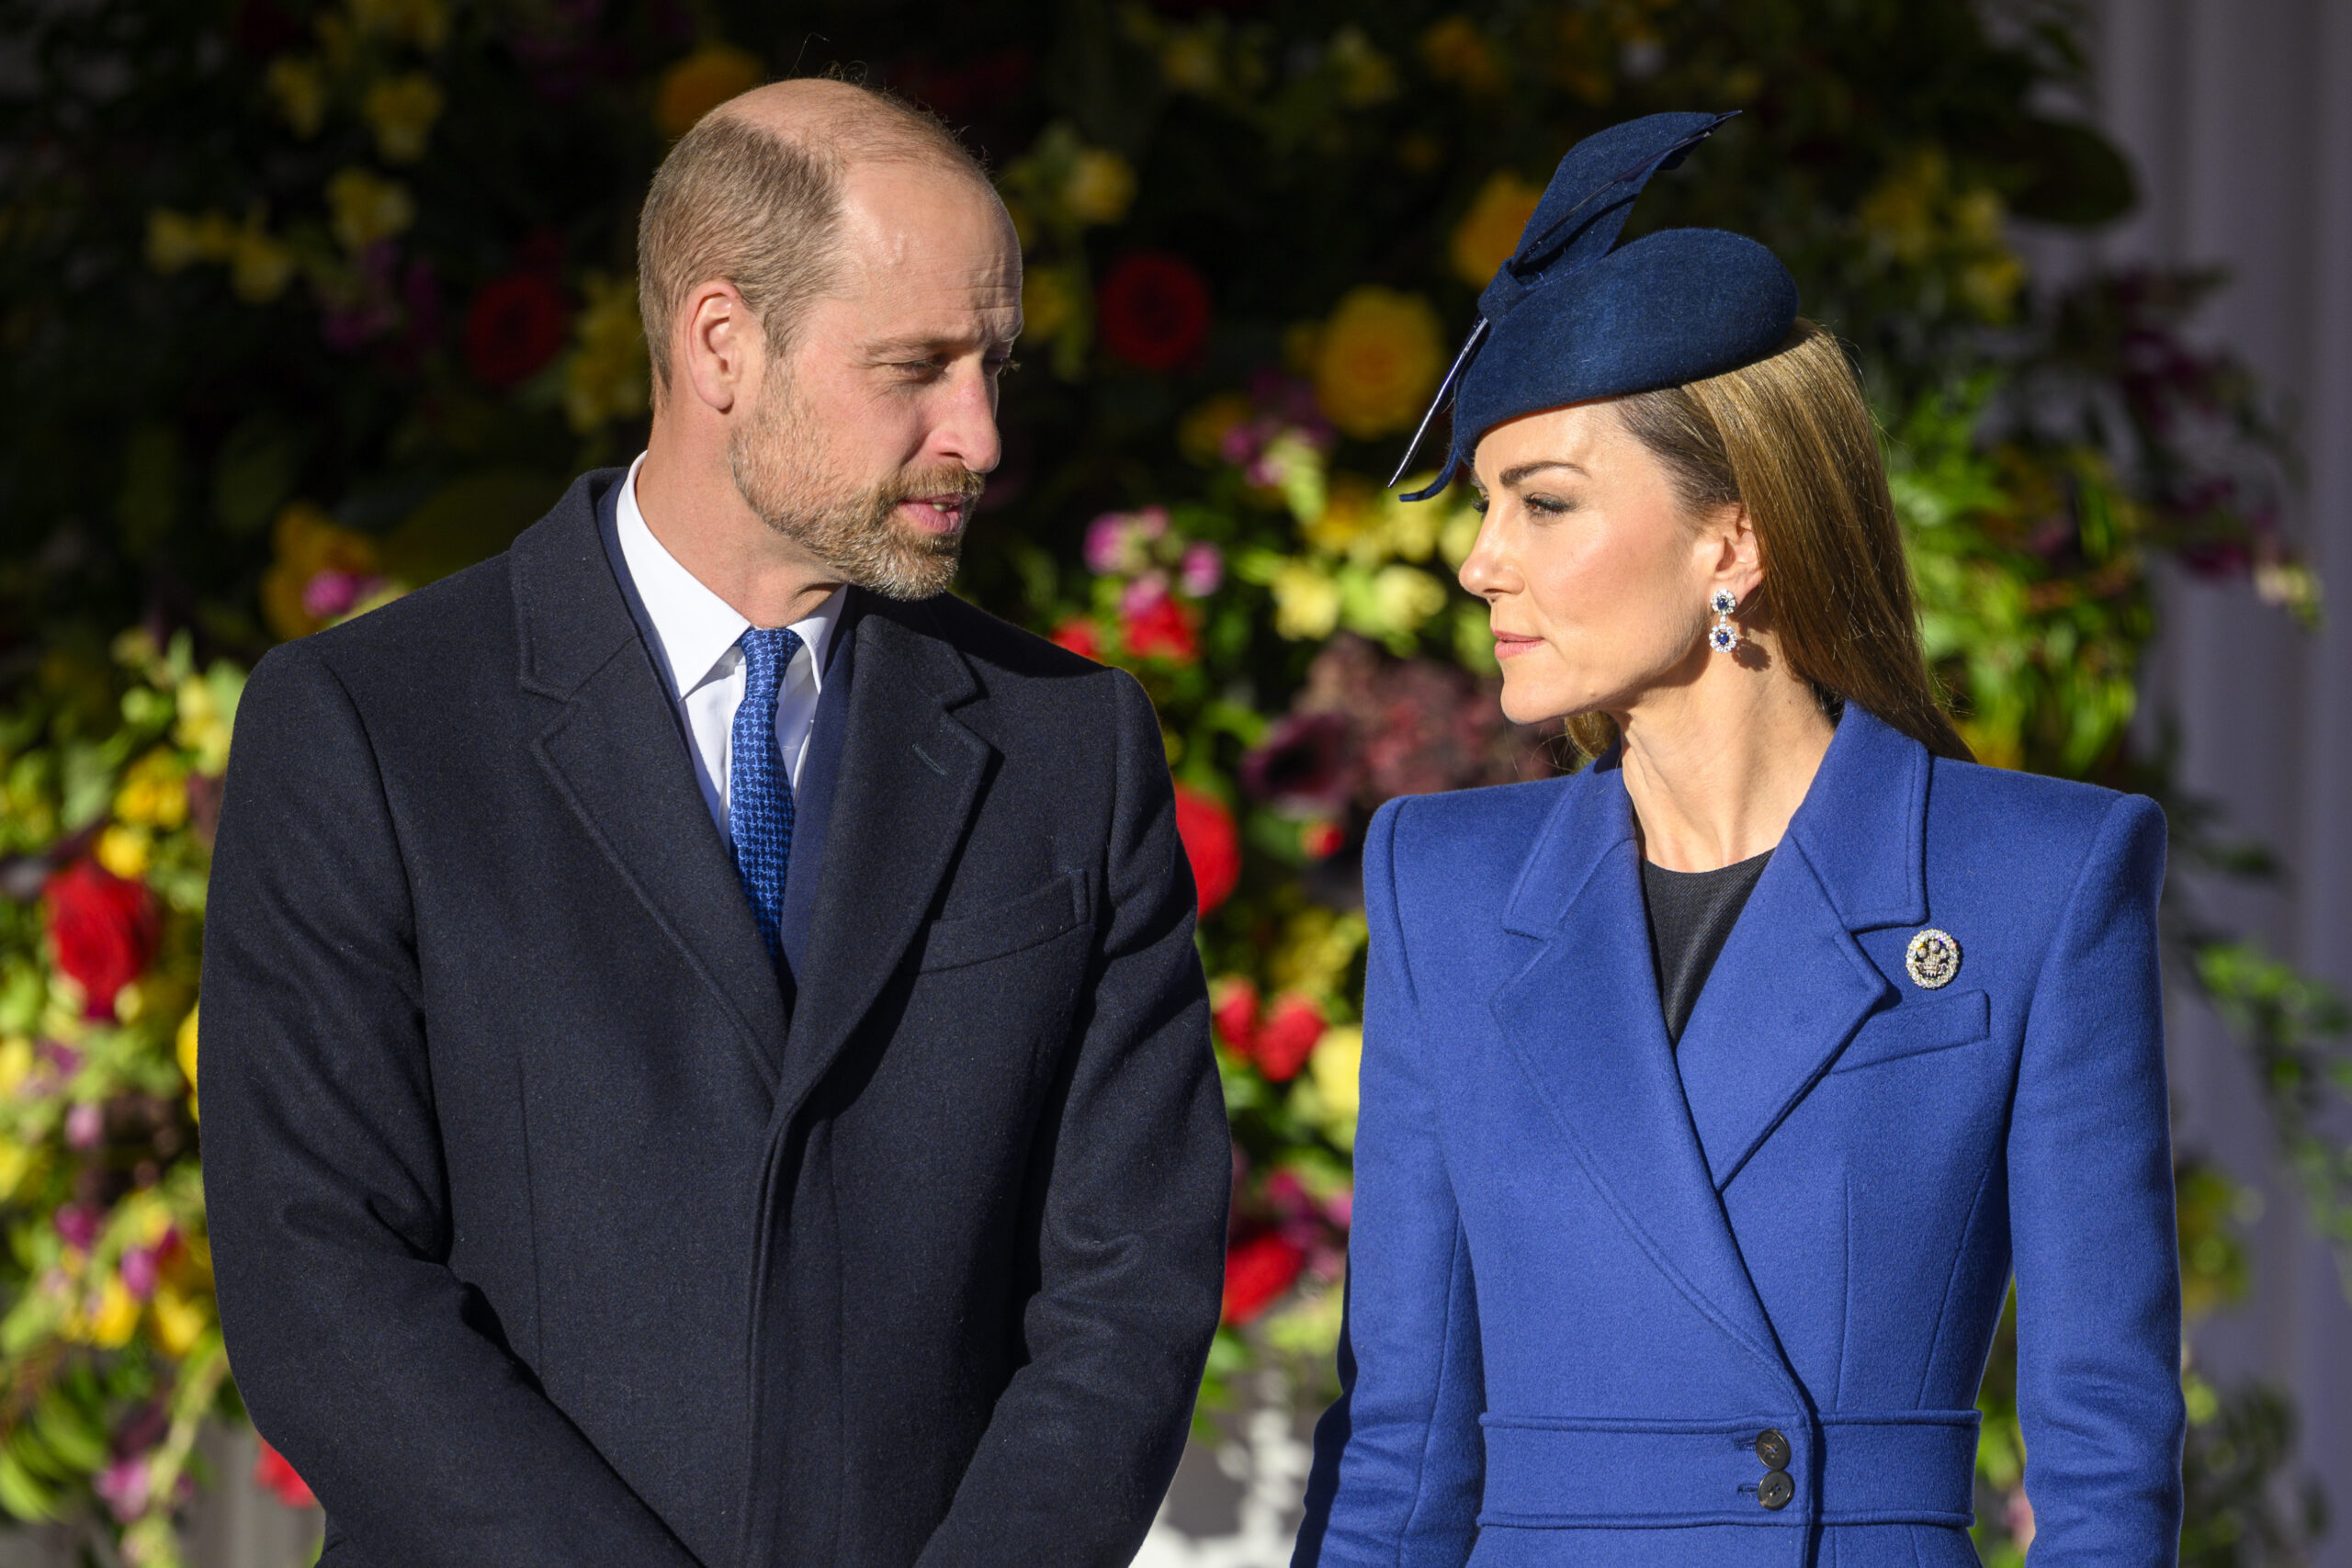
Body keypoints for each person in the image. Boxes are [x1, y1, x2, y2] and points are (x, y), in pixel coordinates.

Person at [201, 77, 1230, 1568]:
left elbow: (1127, 1290)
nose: (983, 433)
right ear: (722, 343)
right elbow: (323, 1284)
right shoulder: (368, 727)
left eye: (993, 363)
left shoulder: (1071, 748)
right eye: (917, 367)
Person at [1294, 113, 2184, 1568]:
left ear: (1734, 540)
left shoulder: (2035, 878)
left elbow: (2104, 1455)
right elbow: (1401, 1434)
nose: (1479, 561)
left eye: (1544, 503)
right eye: (1483, 507)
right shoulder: (1444, 883)